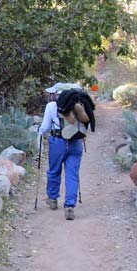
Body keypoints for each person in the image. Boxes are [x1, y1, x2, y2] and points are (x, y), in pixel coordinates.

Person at [38, 83, 84, 221]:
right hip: (76, 142)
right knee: (72, 174)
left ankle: (52, 199)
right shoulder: (79, 103)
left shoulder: (52, 106)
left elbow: (45, 127)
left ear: (56, 94)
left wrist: (39, 133)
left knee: (54, 170)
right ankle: (69, 206)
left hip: (58, 141)